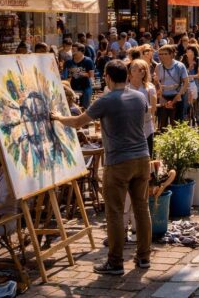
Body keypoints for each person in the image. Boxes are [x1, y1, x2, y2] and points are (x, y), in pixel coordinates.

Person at [52, 60, 151, 275]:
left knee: (115, 212)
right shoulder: (139, 96)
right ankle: (144, 257)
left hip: (118, 162)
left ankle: (115, 262)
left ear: (107, 76)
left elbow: (79, 122)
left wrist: (58, 118)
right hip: (142, 158)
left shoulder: (105, 100)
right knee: (141, 208)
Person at [125, 59, 157, 156]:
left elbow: (153, 111)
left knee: (148, 157)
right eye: (138, 69)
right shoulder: (125, 89)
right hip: (130, 129)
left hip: (147, 128)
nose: (141, 71)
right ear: (131, 72)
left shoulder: (150, 89)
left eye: (143, 69)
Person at [154, 44, 188, 130]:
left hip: (177, 95)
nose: (163, 56)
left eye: (165, 54)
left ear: (171, 54)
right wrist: (160, 97)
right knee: (162, 124)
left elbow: (186, 83)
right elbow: (156, 83)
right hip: (164, 96)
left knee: (177, 123)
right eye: (160, 54)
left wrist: (178, 95)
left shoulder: (179, 66)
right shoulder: (158, 67)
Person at [63, 42, 95, 109]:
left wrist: (80, 73)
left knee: (85, 106)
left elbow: (91, 75)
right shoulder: (68, 62)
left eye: (75, 50)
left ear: (81, 52)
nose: (73, 52)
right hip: (72, 86)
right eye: (72, 50)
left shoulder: (88, 61)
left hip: (85, 86)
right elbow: (66, 77)